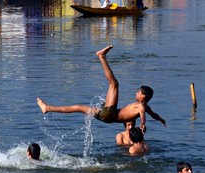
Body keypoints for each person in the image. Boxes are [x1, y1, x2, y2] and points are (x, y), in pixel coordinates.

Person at [37, 45, 166, 134]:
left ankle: (102, 57)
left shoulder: (141, 107)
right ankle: (48, 108)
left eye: (139, 92)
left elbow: (143, 116)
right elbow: (153, 115)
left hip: (110, 114)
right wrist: (161, 120)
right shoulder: (146, 107)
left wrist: (143, 124)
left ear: (143, 96)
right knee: (78, 107)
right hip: (107, 116)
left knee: (114, 84)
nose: (136, 93)